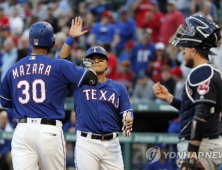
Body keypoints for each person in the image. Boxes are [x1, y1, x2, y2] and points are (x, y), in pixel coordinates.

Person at [0, 19, 98, 170]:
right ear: (52, 42)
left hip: (22, 131)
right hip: (48, 131)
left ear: (32, 41)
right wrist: (87, 63)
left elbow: (6, 103)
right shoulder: (58, 66)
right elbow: (92, 78)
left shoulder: (14, 68)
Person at [60, 16, 134, 170]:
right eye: (92, 59)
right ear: (86, 62)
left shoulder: (119, 87)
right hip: (87, 143)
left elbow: (127, 110)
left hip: (112, 143)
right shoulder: (78, 83)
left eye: (101, 59)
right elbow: (62, 61)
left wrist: (128, 118)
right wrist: (71, 38)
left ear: (107, 63)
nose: (97, 61)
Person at [153, 15, 222, 170]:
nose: (182, 52)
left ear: (193, 49)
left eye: (184, 49)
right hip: (204, 145)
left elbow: (201, 114)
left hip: (201, 147)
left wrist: (192, 153)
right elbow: (193, 110)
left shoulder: (203, 72)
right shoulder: (207, 71)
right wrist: (170, 98)